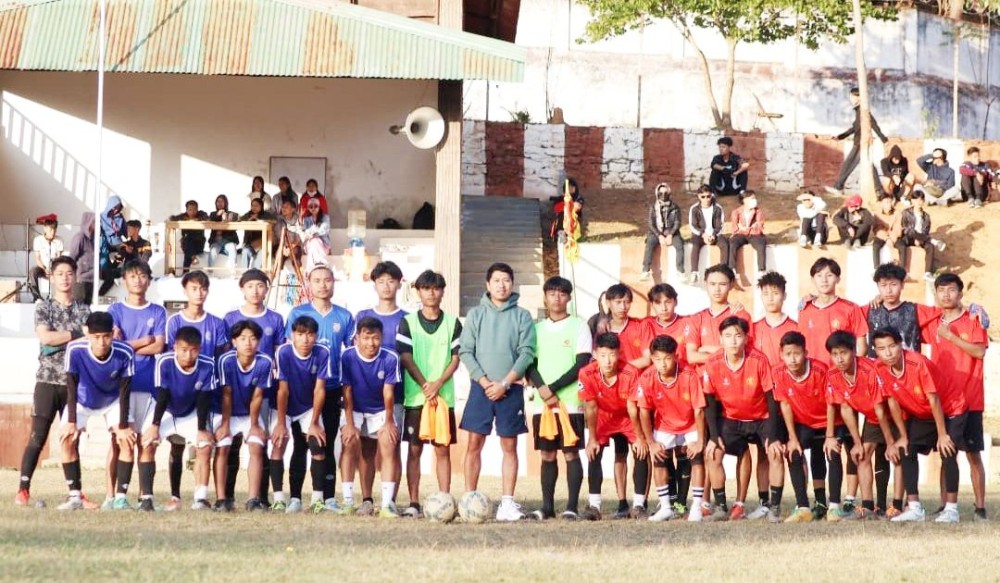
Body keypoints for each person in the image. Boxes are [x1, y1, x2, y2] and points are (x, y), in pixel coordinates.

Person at [458, 262, 535, 521]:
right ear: (487, 284)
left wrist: (504, 383)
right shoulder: (476, 314)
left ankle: (507, 504)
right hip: (481, 389)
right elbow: (465, 351)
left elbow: (527, 352)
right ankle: (470, 499)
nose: (502, 285)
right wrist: (485, 382)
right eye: (497, 280)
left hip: (510, 389)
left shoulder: (522, 315)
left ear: (512, 284)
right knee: (474, 444)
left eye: (506, 280)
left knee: (509, 445)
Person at [14, 256, 91, 507]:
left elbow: (88, 344)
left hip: (74, 383)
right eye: (60, 274)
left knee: (72, 438)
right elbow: (46, 338)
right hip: (47, 380)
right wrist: (77, 334)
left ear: (75, 276)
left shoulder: (83, 309)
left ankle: (76, 493)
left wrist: (66, 337)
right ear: (52, 277)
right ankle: (23, 489)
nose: (65, 278)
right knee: (38, 436)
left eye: (70, 273)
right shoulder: (43, 307)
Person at [874, 327, 967, 523]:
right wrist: (902, 436)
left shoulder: (917, 363)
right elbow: (892, 401)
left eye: (892, 346)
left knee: (947, 449)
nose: (888, 352)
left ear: (901, 345)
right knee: (907, 448)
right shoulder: (880, 368)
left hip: (951, 408)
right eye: (882, 348)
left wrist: (942, 435)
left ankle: (951, 510)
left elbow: (934, 399)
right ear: (876, 350)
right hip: (923, 413)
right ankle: (915, 508)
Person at [285, 265, 354, 511]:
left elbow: (351, 352)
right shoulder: (297, 313)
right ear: (309, 284)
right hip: (302, 391)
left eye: (327, 280)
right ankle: (295, 498)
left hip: (332, 387)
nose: (323, 285)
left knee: (327, 442)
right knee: (301, 444)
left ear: (334, 283)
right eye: (317, 280)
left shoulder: (344, 317)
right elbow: (288, 351)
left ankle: (328, 498)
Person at [701, 316, 784, 522]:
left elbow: (772, 398)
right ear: (720, 339)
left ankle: (773, 506)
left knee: (774, 453)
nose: (733, 341)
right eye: (728, 336)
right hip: (732, 418)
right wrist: (713, 435)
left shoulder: (759, 359)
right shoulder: (712, 363)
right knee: (713, 453)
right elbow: (709, 400)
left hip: (761, 417)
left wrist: (773, 435)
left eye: (738, 335)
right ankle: (721, 507)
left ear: (746, 338)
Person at [525, 276, 592, 520]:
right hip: (542, 405)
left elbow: (582, 364)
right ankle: (547, 506)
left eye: (562, 294)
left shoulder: (579, 326)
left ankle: (572, 507)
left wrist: (551, 388)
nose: (557, 297)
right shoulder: (535, 329)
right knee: (547, 454)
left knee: (571, 453)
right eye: (552, 293)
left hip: (570, 402)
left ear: (569, 298)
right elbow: (529, 363)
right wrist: (542, 388)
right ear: (545, 297)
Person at [397, 270, 462, 517]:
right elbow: (405, 356)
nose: (431, 293)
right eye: (426, 288)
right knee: (414, 449)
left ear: (442, 291)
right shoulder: (409, 322)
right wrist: (426, 384)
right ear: (419, 291)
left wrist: (437, 384)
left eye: (436, 288)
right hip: (416, 397)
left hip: (443, 397)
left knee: (442, 449)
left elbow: (456, 359)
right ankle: (413, 503)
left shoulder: (453, 323)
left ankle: (445, 499)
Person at [163, 270, 228, 511]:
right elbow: (168, 358)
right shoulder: (175, 322)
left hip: (206, 394)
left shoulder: (216, 323)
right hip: (179, 393)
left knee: (204, 443)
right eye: (194, 288)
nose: (199, 293)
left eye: (203, 289)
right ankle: (175, 496)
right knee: (177, 445)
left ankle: (201, 496)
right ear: (185, 291)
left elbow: (221, 358)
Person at [926, 274, 988, 520]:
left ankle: (980, 507)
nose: (946, 295)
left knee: (973, 454)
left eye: (951, 290)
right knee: (946, 452)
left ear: (960, 294)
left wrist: (952, 336)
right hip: (944, 400)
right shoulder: (932, 320)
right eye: (941, 290)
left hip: (970, 397)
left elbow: (980, 352)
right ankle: (944, 504)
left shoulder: (973, 318)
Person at [56, 312, 134, 510]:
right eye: (96, 337)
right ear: (88, 335)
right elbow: (71, 386)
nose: (101, 342)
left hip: (113, 400)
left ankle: (120, 498)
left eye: (106, 336)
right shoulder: (75, 349)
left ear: (113, 333)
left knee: (126, 440)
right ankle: (75, 496)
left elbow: (125, 390)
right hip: (83, 400)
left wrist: (123, 426)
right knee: (66, 438)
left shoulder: (125, 352)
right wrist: (72, 421)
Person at [772, 331, 851, 522]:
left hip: (830, 421)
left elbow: (831, 402)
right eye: (788, 354)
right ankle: (803, 507)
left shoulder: (821, 370)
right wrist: (791, 438)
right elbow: (785, 405)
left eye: (797, 353)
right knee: (793, 452)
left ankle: (833, 507)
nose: (793, 359)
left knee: (832, 452)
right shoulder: (778, 372)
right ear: (781, 354)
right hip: (805, 422)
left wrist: (830, 435)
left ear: (805, 352)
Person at [106, 260, 166, 509]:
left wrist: (131, 343)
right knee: (120, 441)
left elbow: (159, 346)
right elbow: (114, 345)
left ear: (149, 280)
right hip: (121, 385)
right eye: (132, 276)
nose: (138, 280)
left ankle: (145, 497)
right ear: (123, 280)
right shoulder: (115, 311)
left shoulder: (158, 311)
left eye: (142, 276)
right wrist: (145, 340)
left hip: (148, 384)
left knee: (145, 442)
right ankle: (112, 496)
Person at [137, 326, 218, 512]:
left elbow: (203, 399)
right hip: (164, 409)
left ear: (199, 349)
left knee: (204, 446)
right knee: (148, 443)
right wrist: (155, 425)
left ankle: (200, 499)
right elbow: (163, 395)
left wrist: (201, 429)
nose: (188, 355)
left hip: (190, 411)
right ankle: (147, 499)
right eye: (183, 350)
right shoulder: (164, 362)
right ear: (174, 347)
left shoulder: (207, 365)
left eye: (193, 350)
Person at [223, 269, 285, 507]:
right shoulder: (230, 318)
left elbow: (279, 353)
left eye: (260, 286)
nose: (255, 291)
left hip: (265, 389)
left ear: (266, 289)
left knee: (260, 441)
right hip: (236, 389)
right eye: (250, 286)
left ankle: (260, 497)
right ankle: (226, 496)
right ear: (242, 289)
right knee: (232, 443)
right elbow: (226, 355)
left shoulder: (275, 319)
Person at [824, 330, 897, 519]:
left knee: (896, 456)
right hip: (873, 418)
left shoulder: (870, 370)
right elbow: (846, 408)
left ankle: (898, 504)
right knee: (862, 456)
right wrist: (856, 441)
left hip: (895, 415)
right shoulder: (833, 374)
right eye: (834, 354)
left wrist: (890, 442)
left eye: (844, 353)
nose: (839, 359)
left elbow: (881, 409)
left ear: (854, 351)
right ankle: (868, 506)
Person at [578, 333, 647, 520]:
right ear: (595, 354)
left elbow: (634, 407)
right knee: (594, 452)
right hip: (603, 415)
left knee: (641, 451)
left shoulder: (631, 372)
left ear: (620, 353)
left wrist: (640, 438)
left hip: (627, 416)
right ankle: (594, 506)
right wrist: (592, 438)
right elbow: (590, 407)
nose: (608, 361)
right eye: (602, 355)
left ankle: (639, 505)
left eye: (612, 354)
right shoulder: (586, 373)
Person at [638, 335, 706, 522]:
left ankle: (697, 508)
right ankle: (666, 507)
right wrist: (650, 442)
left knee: (697, 457)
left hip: (690, 423)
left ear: (676, 356)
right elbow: (643, 411)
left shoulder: (690, 375)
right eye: (658, 359)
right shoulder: (647, 377)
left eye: (667, 358)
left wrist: (700, 441)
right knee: (659, 458)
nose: (663, 364)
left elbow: (699, 410)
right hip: (664, 424)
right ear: (651, 358)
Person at [340, 317, 402, 518]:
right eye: (366, 338)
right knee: (350, 443)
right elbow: (347, 391)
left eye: (376, 338)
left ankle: (386, 505)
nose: (371, 343)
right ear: (357, 338)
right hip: (355, 408)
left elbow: (389, 393)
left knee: (388, 443)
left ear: (382, 338)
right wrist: (350, 424)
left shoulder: (390, 358)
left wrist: (389, 421)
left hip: (381, 410)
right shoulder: (347, 357)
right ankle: (351, 501)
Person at [270, 316, 331, 513]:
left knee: (316, 443)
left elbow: (320, 389)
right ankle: (279, 499)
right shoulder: (284, 352)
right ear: (292, 336)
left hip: (307, 407)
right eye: (300, 334)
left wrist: (314, 422)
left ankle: (317, 499)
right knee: (280, 442)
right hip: (283, 407)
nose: (305, 339)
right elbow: (283, 390)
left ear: (316, 336)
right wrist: (281, 423)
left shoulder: (322, 352)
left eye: (310, 334)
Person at [798, 258, 868, 365]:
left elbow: (862, 347)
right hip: (813, 374)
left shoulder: (851, 308)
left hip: (840, 375)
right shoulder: (805, 310)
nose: (824, 280)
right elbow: (800, 345)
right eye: (819, 275)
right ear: (813, 279)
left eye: (829, 275)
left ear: (838, 279)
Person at [826, 86, 888, 196]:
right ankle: (879, 191)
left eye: (852, 97)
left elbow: (873, 124)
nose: (851, 99)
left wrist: (883, 139)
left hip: (861, 143)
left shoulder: (863, 110)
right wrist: (841, 136)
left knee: (849, 164)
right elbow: (855, 127)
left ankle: (839, 187)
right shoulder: (859, 110)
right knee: (868, 165)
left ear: (858, 97)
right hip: (860, 142)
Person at [589, 283, 652, 370]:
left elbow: (646, 360)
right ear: (608, 303)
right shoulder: (603, 330)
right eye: (618, 302)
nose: (623, 307)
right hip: (613, 381)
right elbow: (597, 361)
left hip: (638, 379)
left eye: (627, 302)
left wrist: (618, 369)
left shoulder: (641, 326)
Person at [895, 190, 945, 281]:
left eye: (921, 200)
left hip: (922, 238)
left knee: (930, 246)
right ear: (912, 201)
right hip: (908, 237)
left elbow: (926, 231)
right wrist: (916, 238)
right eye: (916, 200)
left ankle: (927, 273)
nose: (918, 202)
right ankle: (934, 241)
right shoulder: (906, 213)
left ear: (923, 201)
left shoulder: (926, 216)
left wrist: (920, 239)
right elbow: (906, 229)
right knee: (911, 232)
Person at [752, 271, 798, 368]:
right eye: (766, 294)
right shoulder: (753, 328)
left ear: (784, 296)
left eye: (775, 293)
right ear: (761, 296)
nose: (770, 298)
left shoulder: (795, 328)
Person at [640, 183, 684, 281]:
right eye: (661, 193)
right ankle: (645, 271)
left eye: (666, 192)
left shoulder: (675, 207)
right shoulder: (653, 207)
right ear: (657, 194)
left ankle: (680, 271)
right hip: (656, 232)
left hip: (671, 232)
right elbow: (651, 223)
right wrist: (659, 235)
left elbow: (677, 222)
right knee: (649, 244)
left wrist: (670, 234)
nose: (663, 195)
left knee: (680, 245)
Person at [687, 186, 729, 282]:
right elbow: (693, 225)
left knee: (725, 244)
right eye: (703, 197)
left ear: (712, 196)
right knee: (695, 245)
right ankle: (694, 272)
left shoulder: (717, 208)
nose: (706, 199)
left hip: (714, 234)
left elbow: (720, 225)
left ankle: (724, 271)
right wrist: (704, 235)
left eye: (708, 196)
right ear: (698, 196)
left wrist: (714, 235)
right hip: (700, 235)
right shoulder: (694, 209)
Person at [728, 190, 767, 273]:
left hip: (754, 234)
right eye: (752, 198)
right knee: (732, 243)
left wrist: (745, 229)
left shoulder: (758, 211)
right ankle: (732, 268)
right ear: (745, 200)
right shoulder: (736, 212)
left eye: (754, 198)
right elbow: (735, 227)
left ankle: (761, 270)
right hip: (741, 234)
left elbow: (759, 226)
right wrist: (746, 228)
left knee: (760, 244)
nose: (754, 200)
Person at [28, 218, 64, 302]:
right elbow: (38, 258)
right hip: (42, 267)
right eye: (51, 229)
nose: (53, 232)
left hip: (54, 267)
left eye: (54, 230)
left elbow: (59, 258)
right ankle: (37, 297)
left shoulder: (59, 240)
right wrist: (45, 269)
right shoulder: (38, 240)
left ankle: (57, 298)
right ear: (45, 228)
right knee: (33, 271)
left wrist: (53, 270)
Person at [294, 196, 331, 271]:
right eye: (311, 206)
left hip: (323, 245)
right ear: (308, 208)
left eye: (316, 206)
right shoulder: (306, 219)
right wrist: (300, 218)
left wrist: (311, 234)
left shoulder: (325, 217)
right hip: (309, 245)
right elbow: (302, 231)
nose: (313, 208)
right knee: (314, 241)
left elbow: (323, 230)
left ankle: (311, 268)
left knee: (315, 241)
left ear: (319, 207)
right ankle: (321, 264)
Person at [170, 200, 209, 270]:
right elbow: (173, 218)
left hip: (198, 244)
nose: (192, 212)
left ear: (197, 209)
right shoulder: (183, 216)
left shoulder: (201, 214)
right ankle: (192, 260)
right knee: (187, 242)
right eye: (190, 210)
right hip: (187, 244)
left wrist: (194, 220)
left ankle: (185, 272)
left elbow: (206, 217)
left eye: (194, 209)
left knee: (187, 242)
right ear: (186, 210)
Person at [67, 211, 95, 303]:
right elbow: (71, 258)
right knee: (78, 306)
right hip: (81, 279)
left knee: (87, 308)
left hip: (91, 279)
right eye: (93, 222)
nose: (96, 224)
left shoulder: (94, 238)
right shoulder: (79, 238)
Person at [240, 197, 276, 269]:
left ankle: (255, 273)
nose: (254, 208)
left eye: (256, 206)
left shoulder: (266, 214)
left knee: (261, 254)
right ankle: (244, 274)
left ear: (261, 206)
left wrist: (258, 220)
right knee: (245, 251)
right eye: (252, 205)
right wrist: (250, 219)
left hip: (263, 244)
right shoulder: (248, 214)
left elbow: (274, 221)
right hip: (250, 244)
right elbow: (239, 221)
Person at [207, 195, 240, 269]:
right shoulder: (213, 214)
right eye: (218, 201)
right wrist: (219, 214)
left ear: (226, 203)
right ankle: (210, 273)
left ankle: (233, 273)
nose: (220, 203)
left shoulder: (231, 213)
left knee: (232, 249)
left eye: (222, 201)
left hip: (228, 241)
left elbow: (237, 218)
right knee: (212, 252)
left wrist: (227, 218)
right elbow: (212, 218)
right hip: (216, 241)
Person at [871, 195, 902, 269]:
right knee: (876, 246)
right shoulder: (877, 214)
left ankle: (902, 269)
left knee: (902, 246)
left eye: (890, 202)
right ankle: (876, 268)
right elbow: (877, 229)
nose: (889, 204)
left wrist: (892, 239)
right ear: (881, 204)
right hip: (882, 236)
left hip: (893, 236)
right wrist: (886, 238)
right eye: (887, 202)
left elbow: (898, 228)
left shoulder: (897, 213)